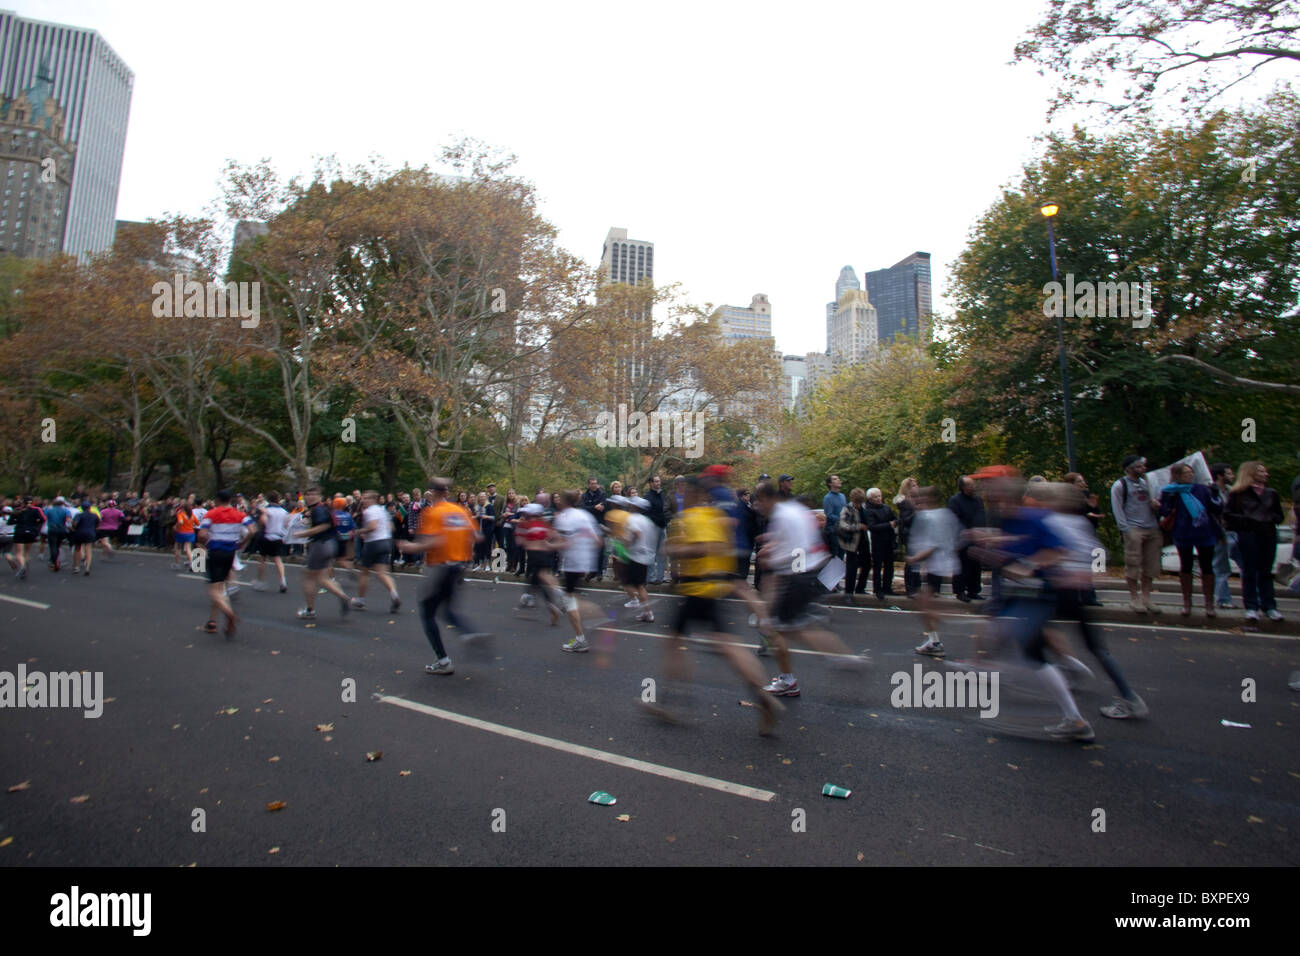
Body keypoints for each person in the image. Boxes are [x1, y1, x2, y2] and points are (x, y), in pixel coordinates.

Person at [653, 479, 783, 733]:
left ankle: (672, 701)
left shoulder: (691, 518)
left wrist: (675, 549)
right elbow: (725, 547)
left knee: (676, 644)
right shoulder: (716, 516)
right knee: (725, 644)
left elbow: (704, 548)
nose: (680, 495)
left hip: (696, 589)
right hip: (715, 586)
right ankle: (762, 694)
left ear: (694, 494)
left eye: (684, 491)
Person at [1039, 482, 1149, 719]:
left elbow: (1043, 553)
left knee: (1034, 630)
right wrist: (1091, 575)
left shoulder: (1051, 522)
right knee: (1096, 647)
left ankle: (1067, 671)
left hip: (1059, 588)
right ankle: (1127, 695)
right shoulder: (1081, 523)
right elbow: (1099, 553)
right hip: (1077, 591)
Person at [752, 480, 862, 698]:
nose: (757, 507)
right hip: (812, 571)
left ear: (767, 499)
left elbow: (797, 549)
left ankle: (788, 680)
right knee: (798, 626)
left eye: (759, 502)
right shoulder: (792, 509)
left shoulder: (781, 516)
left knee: (779, 629)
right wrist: (771, 543)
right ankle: (842, 657)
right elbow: (796, 539)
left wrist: (771, 560)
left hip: (797, 575)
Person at [398, 478, 489, 675]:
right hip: (458, 566)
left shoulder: (433, 512)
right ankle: (470, 632)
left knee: (427, 611)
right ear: (446, 492)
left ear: (432, 492)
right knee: (447, 609)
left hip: (440, 566)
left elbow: (435, 541)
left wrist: (412, 546)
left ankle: (443, 660)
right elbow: (477, 536)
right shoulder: (460, 510)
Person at [1159, 463, 1221, 617]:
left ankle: (1209, 603)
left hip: (1204, 532)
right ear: (1178, 475)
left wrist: (1215, 495)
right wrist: (1170, 501)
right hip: (1183, 532)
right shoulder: (1169, 491)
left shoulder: (1201, 489)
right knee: (1186, 566)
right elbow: (1164, 511)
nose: (1190, 475)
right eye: (1186, 472)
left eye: (1191, 472)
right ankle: (1187, 602)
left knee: (1207, 566)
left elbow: (1216, 508)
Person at [1224, 461, 1284, 622]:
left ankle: (1269, 606)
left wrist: (1271, 519)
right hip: (1248, 534)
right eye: (1262, 471)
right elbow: (1228, 515)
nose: (1266, 474)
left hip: (1268, 534)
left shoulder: (1271, 493)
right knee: (1249, 571)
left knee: (1266, 571)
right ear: (1251, 474)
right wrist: (1247, 521)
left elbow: (1279, 515)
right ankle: (1251, 607)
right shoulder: (1238, 494)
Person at [908, 486, 961, 655]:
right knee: (923, 602)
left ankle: (938, 637)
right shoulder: (945, 514)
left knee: (924, 604)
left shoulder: (930, 516)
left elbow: (933, 544)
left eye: (920, 498)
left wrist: (915, 558)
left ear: (928, 499)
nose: (917, 501)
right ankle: (934, 640)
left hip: (936, 565)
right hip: (939, 564)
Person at [551, 489, 604, 652]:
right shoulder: (585, 515)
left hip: (572, 564)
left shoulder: (564, 518)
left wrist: (547, 546)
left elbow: (565, 543)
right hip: (585, 563)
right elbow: (598, 541)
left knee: (570, 602)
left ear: (563, 502)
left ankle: (582, 639)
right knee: (570, 597)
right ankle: (584, 626)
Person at [197, 490, 255, 636]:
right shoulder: (239, 514)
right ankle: (212, 622)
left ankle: (230, 614)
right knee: (221, 587)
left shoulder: (211, 514)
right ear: (231, 499)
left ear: (217, 499)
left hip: (216, 551)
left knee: (214, 590)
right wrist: (243, 542)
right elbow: (252, 530)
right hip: (230, 552)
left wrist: (205, 543)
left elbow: (202, 534)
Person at [1110, 454, 1162, 614]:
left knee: (1151, 565)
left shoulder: (1147, 483)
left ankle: (1146, 597)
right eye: (1138, 466)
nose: (1142, 469)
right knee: (1133, 563)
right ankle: (1134, 597)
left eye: (1143, 466)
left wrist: (1156, 505)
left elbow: (1157, 502)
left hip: (1152, 526)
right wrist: (1125, 529)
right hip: (1133, 528)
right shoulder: (1120, 485)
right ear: (1128, 468)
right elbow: (1117, 508)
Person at [295, 487, 351, 620]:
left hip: (320, 544)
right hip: (330, 544)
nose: (311, 497)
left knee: (309, 577)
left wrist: (303, 533)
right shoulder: (324, 508)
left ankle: (310, 610)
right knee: (322, 577)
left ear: (320, 496)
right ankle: (343, 597)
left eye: (314, 494)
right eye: (308, 494)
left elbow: (323, 526)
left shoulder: (318, 510)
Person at [353, 490, 401, 613]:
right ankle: (394, 594)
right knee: (382, 573)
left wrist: (360, 531)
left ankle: (361, 599)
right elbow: (391, 527)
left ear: (373, 499)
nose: (363, 500)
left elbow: (373, 526)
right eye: (363, 498)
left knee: (364, 572)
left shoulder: (370, 511)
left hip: (373, 543)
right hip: (386, 541)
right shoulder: (382, 510)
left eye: (366, 498)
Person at [947, 476, 986, 601]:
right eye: (970, 485)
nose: (973, 487)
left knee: (975, 566)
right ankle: (960, 591)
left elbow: (982, 515)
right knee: (962, 566)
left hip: (977, 537)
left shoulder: (978, 500)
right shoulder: (955, 500)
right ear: (963, 487)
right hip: (962, 538)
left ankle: (973, 590)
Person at [1208, 463, 1240, 609]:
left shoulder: (1232, 491)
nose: (1232, 476)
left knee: (1247, 564)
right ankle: (1223, 599)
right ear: (1220, 476)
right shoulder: (1210, 491)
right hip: (1219, 533)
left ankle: (1254, 600)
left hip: (1235, 532)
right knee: (1221, 567)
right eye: (1228, 474)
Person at [862, 488, 898, 599]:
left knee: (889, 565)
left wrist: (894, 523)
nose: (878, 499)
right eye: (875, 497)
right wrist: (889, 525)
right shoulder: (869, 510)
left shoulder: (886, 508)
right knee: (877, 566)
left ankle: (887, 587)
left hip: (889, 539)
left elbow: (894, 519)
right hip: (878, 541)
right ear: (870, 499)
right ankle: (877, 589)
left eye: (879, 496)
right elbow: (872, 527)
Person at [253, 491, 290, 593]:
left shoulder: (266, 510)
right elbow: (287, 525)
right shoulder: (284, 512)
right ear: (278, 499)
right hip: (278, 537)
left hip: (267, 536)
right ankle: (283, 580)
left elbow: (262, 522)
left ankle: (260, 580)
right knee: (277, 559)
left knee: (262, 559)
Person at [838, 488, 870, 600]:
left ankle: (860, 587)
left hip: (863, 539)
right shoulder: (847, 509)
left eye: (860, 503)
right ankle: (849, 592)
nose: (858, 505)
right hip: (851, 541)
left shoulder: (864, 508)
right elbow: (843, 524)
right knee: (851, 566)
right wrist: (857, 527)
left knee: (867, 564)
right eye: (857, 502)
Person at [894, 478, 920, 596]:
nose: (917, 487)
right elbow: (904, 520)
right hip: (909, 534)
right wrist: (917, 514)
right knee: (911, 562)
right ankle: (911, 588)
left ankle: (916, 586)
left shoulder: (915, 501)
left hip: (916, 533)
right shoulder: (905, 502)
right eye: (914, 486)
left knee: (916, 561)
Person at [9, 497, 42, 579]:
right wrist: (35, 525)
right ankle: (25, 570)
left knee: (19, 553)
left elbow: (10, 522)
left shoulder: (17, 510)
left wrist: (16, 519)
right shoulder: (36, 510)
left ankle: (22, 566)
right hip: (31, 532)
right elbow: (42, 519)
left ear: (23, 502)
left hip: (20, 531)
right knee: (26, 552)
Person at [644, 475, 669, 584]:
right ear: (651, 483)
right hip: (653, 528)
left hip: (663, 527)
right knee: (651, 553)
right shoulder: (647, 497)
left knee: (662, 553)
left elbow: (665, 510)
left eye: (659, 481)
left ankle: (661, 576)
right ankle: (651, 577)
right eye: (656, 481)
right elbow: (646, 513)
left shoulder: (662, 495)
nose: (658, 483)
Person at [69, 498, 100, 576]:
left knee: (77, 549)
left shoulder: (79, 515)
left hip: (79, 533)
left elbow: (75, 523)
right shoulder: (94, 515)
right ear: (90, 507)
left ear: (82, 508)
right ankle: (87, 568)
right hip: (90, 533)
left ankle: (76, 567)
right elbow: (98, 524)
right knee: (88, 549)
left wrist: (73, 528)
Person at [822, 474, 847, 562]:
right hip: (834, 532)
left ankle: (840, 575)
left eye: (838, 478)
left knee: (842, 556)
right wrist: (841, 519)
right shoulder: (827, 498)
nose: (839, 480)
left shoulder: (842, 496)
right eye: (835, 479)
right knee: (835, 557)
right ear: (830, 484)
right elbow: (829, 515)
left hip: (843, 531)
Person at [44, 495, 71, 572]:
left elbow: (44, 517)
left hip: (52, 528)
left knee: (52, 545)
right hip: (61, 529)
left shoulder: (49, 510)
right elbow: (68, 520)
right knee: (58, 545)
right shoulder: (65, 510)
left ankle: (54, 560)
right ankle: (56, 560)